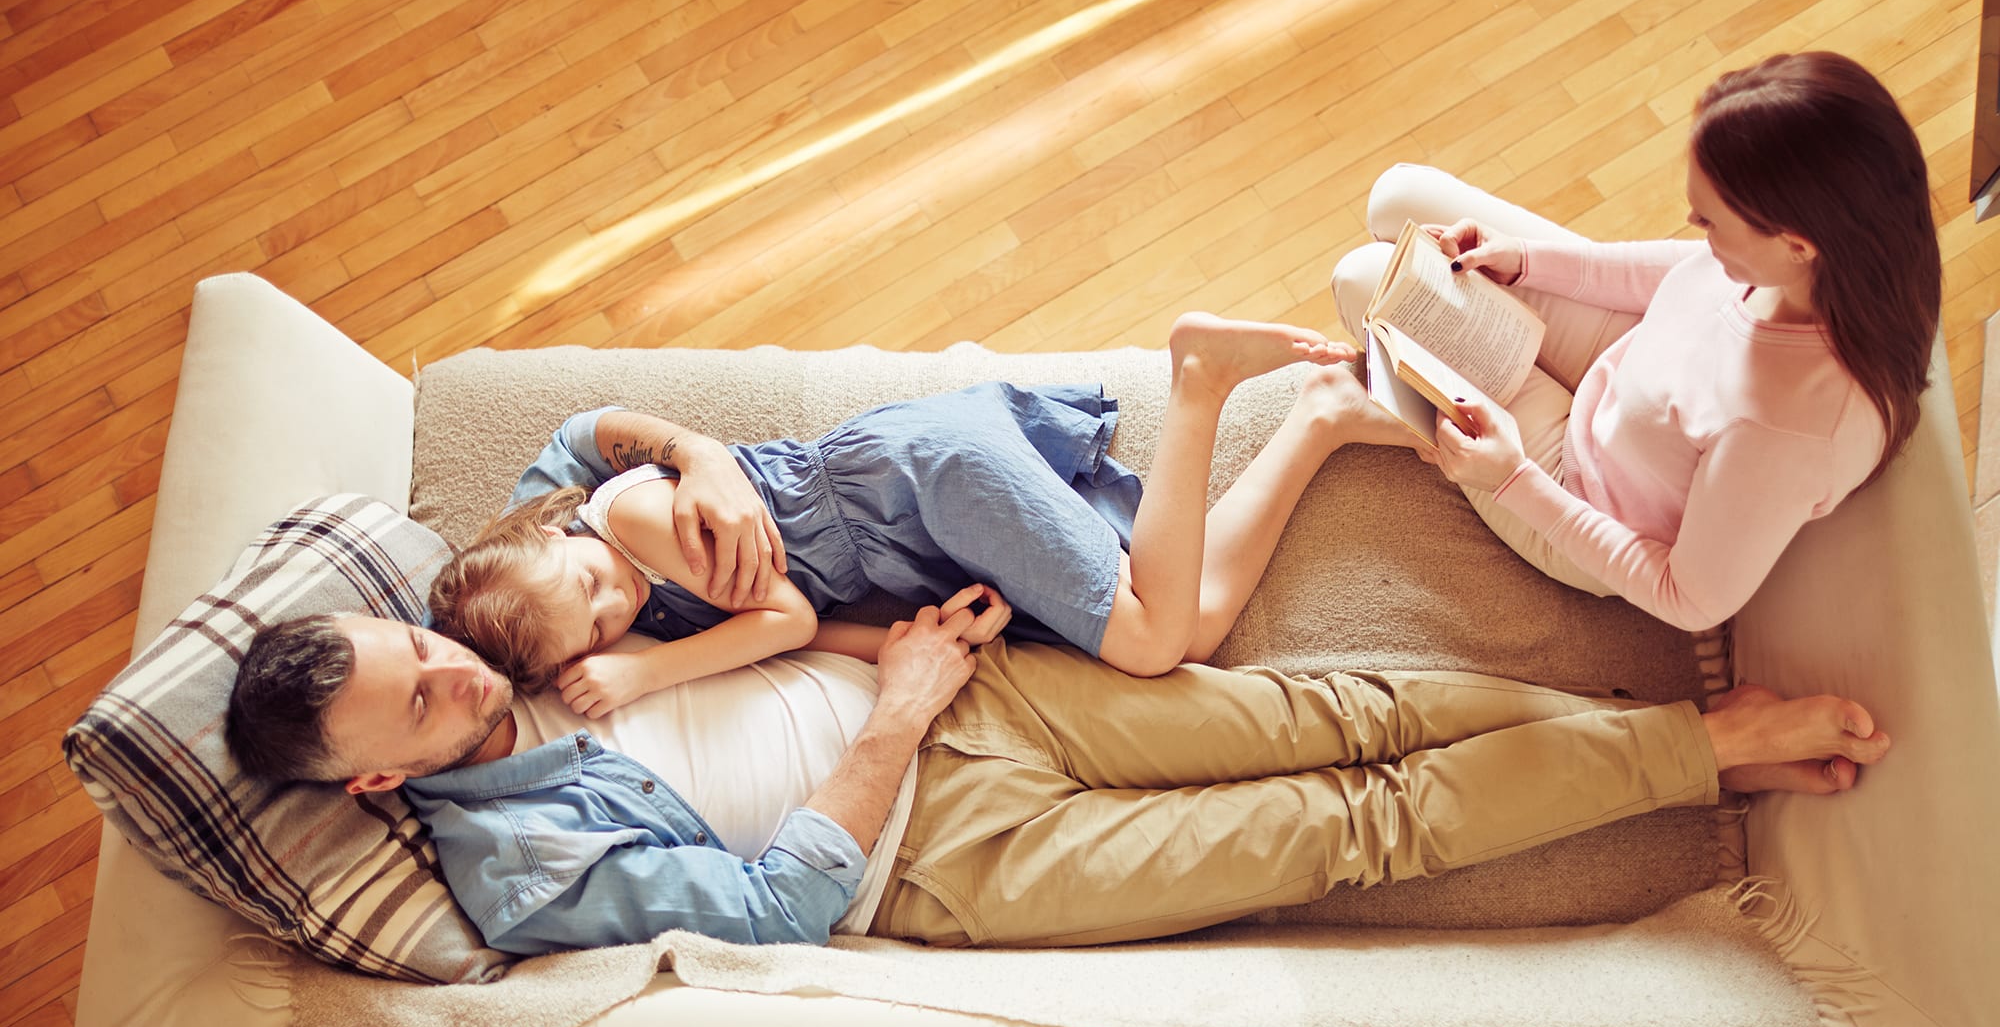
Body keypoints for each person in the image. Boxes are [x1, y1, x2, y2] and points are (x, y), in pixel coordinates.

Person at [224, 596, 1891, 955]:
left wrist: (889, 648)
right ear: (378, 787)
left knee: (1329, 705)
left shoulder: (493, 620)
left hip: (963, 691)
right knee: (1348, 823)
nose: (454, 674)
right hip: (951, 859)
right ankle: (1702, 748)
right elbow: (767, 905)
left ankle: (1635, 728)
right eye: (420, 706)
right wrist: (897, 713)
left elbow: (592, 447)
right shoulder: (508, 870)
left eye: (414, 645)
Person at [424, 314, 1367, 717]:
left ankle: (1197, 378)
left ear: (553, 531)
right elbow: (804, 633)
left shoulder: (629, 520)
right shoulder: (609, 592)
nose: (612, 609)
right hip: (922, 525)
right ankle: (1322, 418)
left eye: (587, 589)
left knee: (1153, 639)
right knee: (1187, 619)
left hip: (922, 484)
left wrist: (646, 675)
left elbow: (786, 621)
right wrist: (920, 644)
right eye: (592, 631)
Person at [1324, 52, 1941, 631]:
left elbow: (1688, 598)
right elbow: (1681, 271)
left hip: (1577, 488)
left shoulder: (1786, 434)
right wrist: (1524, 262)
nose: (1695, 229)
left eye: (1711, 221)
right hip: (1628, 361)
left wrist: (1510, 479)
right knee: (1398, 198)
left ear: (1796, 244)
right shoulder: (1832, 266)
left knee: (1364, 280)